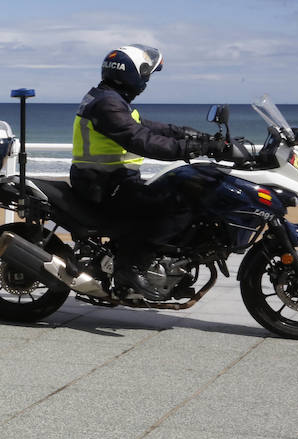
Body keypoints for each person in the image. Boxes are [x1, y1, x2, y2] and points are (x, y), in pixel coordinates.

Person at [70, 45, 219, 299]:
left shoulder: (111, 99)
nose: (147, 82)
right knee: (177, 207)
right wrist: (192, 148)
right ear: (130, 74)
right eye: (145, 75)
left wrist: (196, 136)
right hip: (101, 184)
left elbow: (151, 127)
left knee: (175, 192)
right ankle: (131, 266)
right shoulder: (108, 105)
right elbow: (140, 140)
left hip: (109, 180)